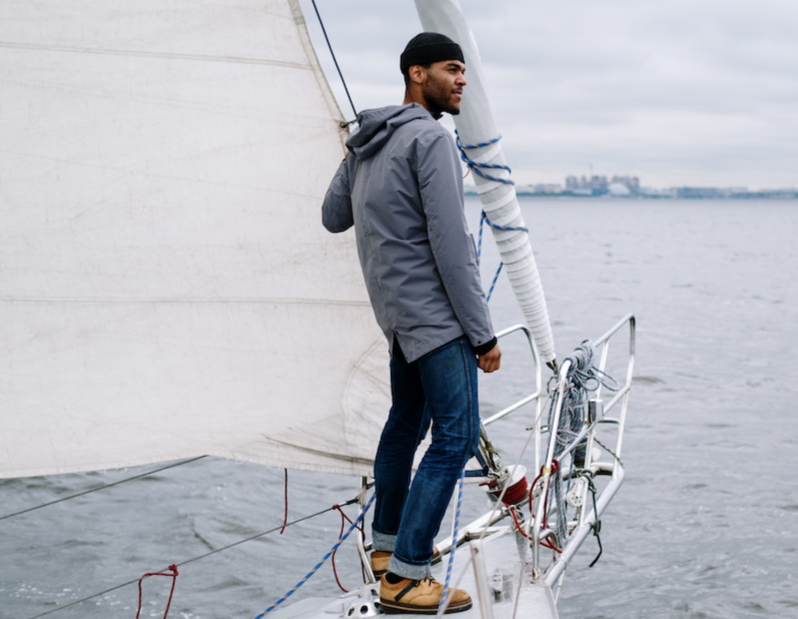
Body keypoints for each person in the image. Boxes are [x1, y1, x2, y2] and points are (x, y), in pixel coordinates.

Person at [322, 32, 501, 614]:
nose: (462, 81)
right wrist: (484, 334)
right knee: (457, 437)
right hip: (438, 322)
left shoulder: (369, 142)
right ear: (417, 73)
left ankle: (385, 550)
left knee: (404, 426)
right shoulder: (430, 140)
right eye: (452, 70)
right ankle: (406, 575)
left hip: (397, 321)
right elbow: (453, 249)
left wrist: (354, 155)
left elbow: (332, 217)